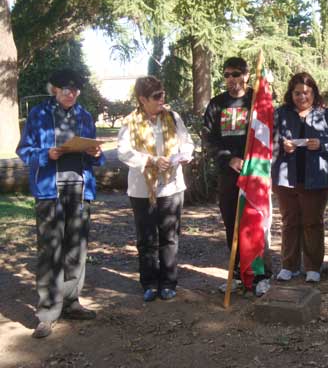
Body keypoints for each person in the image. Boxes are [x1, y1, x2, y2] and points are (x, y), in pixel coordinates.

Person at [16, 68, 105, 338]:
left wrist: (96, 152)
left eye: (76, 89)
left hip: (79, 190)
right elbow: (24, 150)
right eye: (66, 89)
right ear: (54, 89)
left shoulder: (85, 115)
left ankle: (71, 301)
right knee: (50, 251)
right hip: (49, 191)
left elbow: (96, 157)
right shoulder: (39, 114)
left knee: (76, 249)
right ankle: (47, 313)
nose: (71, 93)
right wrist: (47, 153)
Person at [118, 76, 194, 302]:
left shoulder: (172, 117)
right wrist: (150, 160)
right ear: (142, 99)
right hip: (142, 189)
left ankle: (169, 282)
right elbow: (123, 151)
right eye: (156, 96)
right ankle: (149, 282)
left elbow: (187, 141)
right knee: (147, 238)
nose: (162, 99)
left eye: (163, 94)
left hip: (171, 187)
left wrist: (186, 155)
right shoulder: (130, 122)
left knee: (169, 236)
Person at [203, 57, 271, 294]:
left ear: (246, 75)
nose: (231, 79)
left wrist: (253, 162)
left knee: (255, 222)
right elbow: (209, 139)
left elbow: (268, 132)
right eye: (227, 74)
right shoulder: (216, 104)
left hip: (255, 172)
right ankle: (238, 274)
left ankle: (261, 274)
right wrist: (229, 159)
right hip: (228, 172)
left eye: (236, 74)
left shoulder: (257, 101)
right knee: (232, 222)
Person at [271, 72, 328, 283]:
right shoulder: (281, 114)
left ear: (314, 93)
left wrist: (322, 144)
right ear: (291, 94)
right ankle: (289, 265)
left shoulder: (325, 114)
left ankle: (313, 267)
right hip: (286, 177)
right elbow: (270, 140)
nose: (302, 97)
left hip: (316, 179)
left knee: (312, 222)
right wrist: (283, 146)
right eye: (297, 93)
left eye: (307, 92)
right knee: (289, 222)